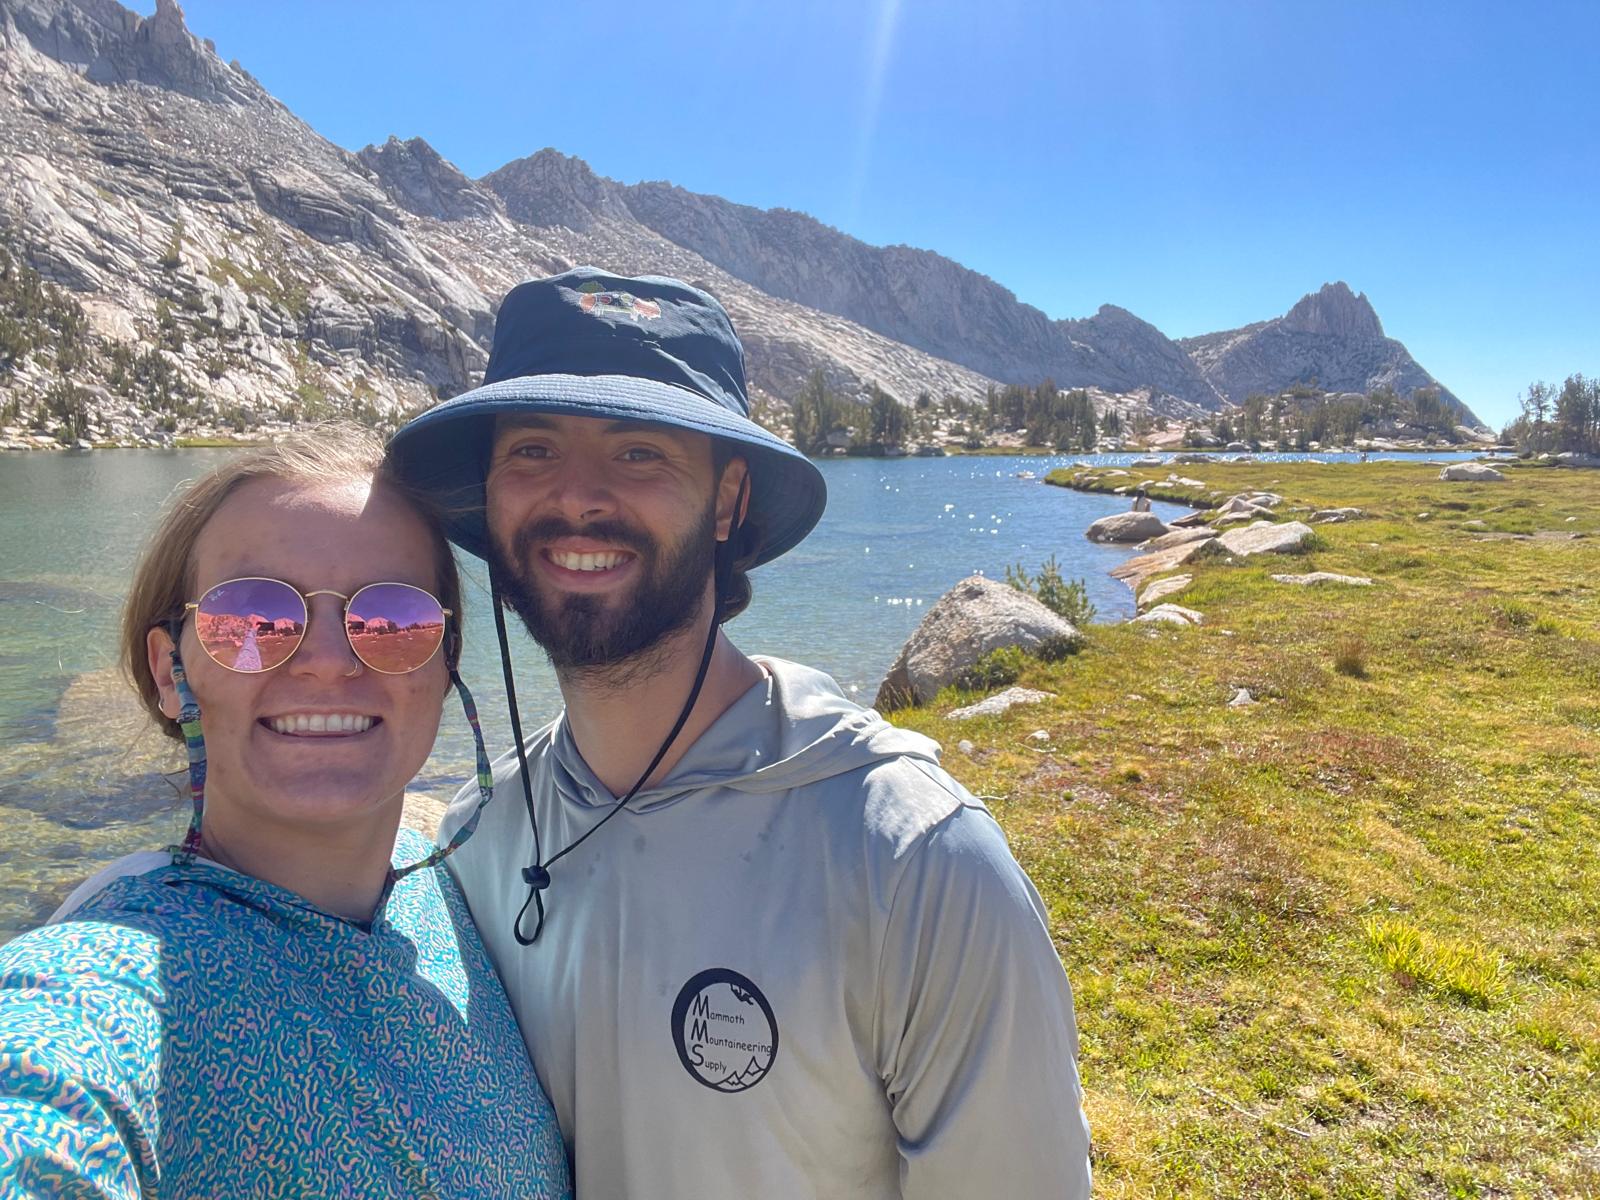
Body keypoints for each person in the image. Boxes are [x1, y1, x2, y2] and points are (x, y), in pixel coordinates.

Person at [389, 268, 1092, 1198]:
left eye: (640, 452)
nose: (576, 499)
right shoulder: (477, 839)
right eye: (531, 450)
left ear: (727, 504)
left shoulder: (913, 861)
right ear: (490, 494)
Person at [0, 428, 571, 1199]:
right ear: (172, 672)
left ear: (444, 667)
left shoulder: (459, 897)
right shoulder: (106, 989)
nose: (330, 660)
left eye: (393, 621)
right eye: (254, 618)